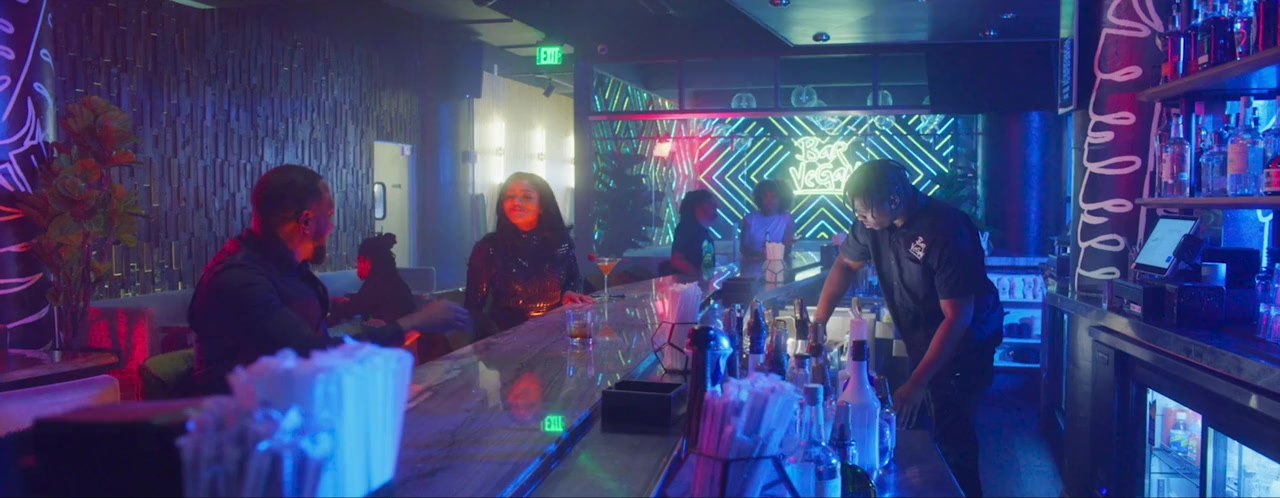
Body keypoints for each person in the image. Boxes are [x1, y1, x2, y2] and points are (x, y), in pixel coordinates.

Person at [188, 165, 470, 395]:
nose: (332, 227)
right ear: (307, 222)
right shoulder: (241, 280)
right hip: (247, 437)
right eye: (330, 215)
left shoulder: (283, 268)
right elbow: (316, 357)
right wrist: (414, 322)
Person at [812, 159, 1003, 497]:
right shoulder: (872, 224)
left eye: (865, 210)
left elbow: (958, 317)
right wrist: (818, 322)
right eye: (856, 210)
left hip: (964, 348)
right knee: (918, 439)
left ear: (894, 199)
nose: (860, 217)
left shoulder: (947, 229)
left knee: (952, 442)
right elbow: (845, 264)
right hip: (925, 342)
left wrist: (916, 382)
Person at [465, 172, 592, 335]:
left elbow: (573, 278)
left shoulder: (560, 242)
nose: (516, 202)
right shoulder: (489, 246)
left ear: (542, 205)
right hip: (507, 336)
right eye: (509, 196)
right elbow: (473, 307)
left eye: (526, 197)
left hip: (555, 332)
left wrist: (569, 292)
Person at [331, 233, 416, 323]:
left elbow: (354, 308)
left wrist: (337, 304)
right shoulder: (392, 281)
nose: (358, 265)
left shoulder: (377, 284)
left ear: (369, 260)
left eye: (360, 260)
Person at [739, 179, 796, 278]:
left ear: (781, 199)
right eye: (765, 196)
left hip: (778, 270)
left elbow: (787, 249)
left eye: (773, 197)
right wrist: (760, 255)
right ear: (759, 198)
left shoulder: (786, 219)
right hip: (751, 272)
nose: (769, 200)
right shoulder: (749, 220)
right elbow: (744, 248)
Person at [668, 190, 719, 275]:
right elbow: (677, 260)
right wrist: (697, 275)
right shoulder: (685, 229)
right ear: (699, 206)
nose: (716, 208)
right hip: (688, 282)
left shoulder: (702, 231)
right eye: (712, 205)